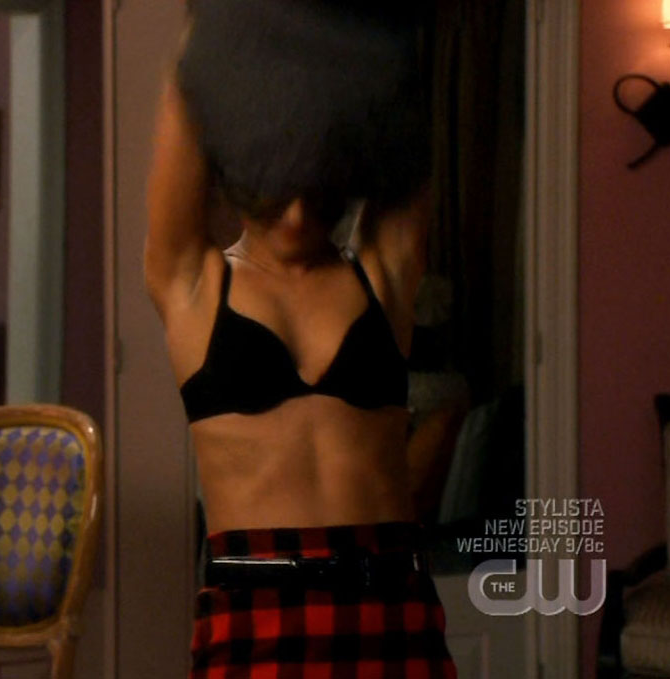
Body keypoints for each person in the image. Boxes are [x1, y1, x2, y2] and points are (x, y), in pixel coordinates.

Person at [144, 2, 457, 677]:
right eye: (275, 191)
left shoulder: (382, 274)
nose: (294, 214)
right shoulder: (193, 285)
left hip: (391, 604)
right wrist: (222, 23)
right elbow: (189, 94)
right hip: (254, 615)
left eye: (317, 194)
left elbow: (406, 116)